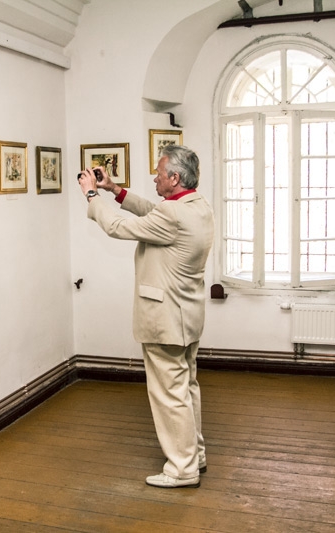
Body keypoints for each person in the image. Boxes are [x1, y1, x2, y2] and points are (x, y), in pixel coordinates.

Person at [77, 145, 214, 489]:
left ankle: (181, 469)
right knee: (186, 388)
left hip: (165, 319)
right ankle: (194, 455)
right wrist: (114, 189)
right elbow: (154, 212)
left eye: (159, 172)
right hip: (187, 317)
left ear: (174, 178)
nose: (155, 177)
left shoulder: (173, 214)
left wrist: (92, 195)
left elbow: (118, 227)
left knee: (170, 395)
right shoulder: (197, 205)